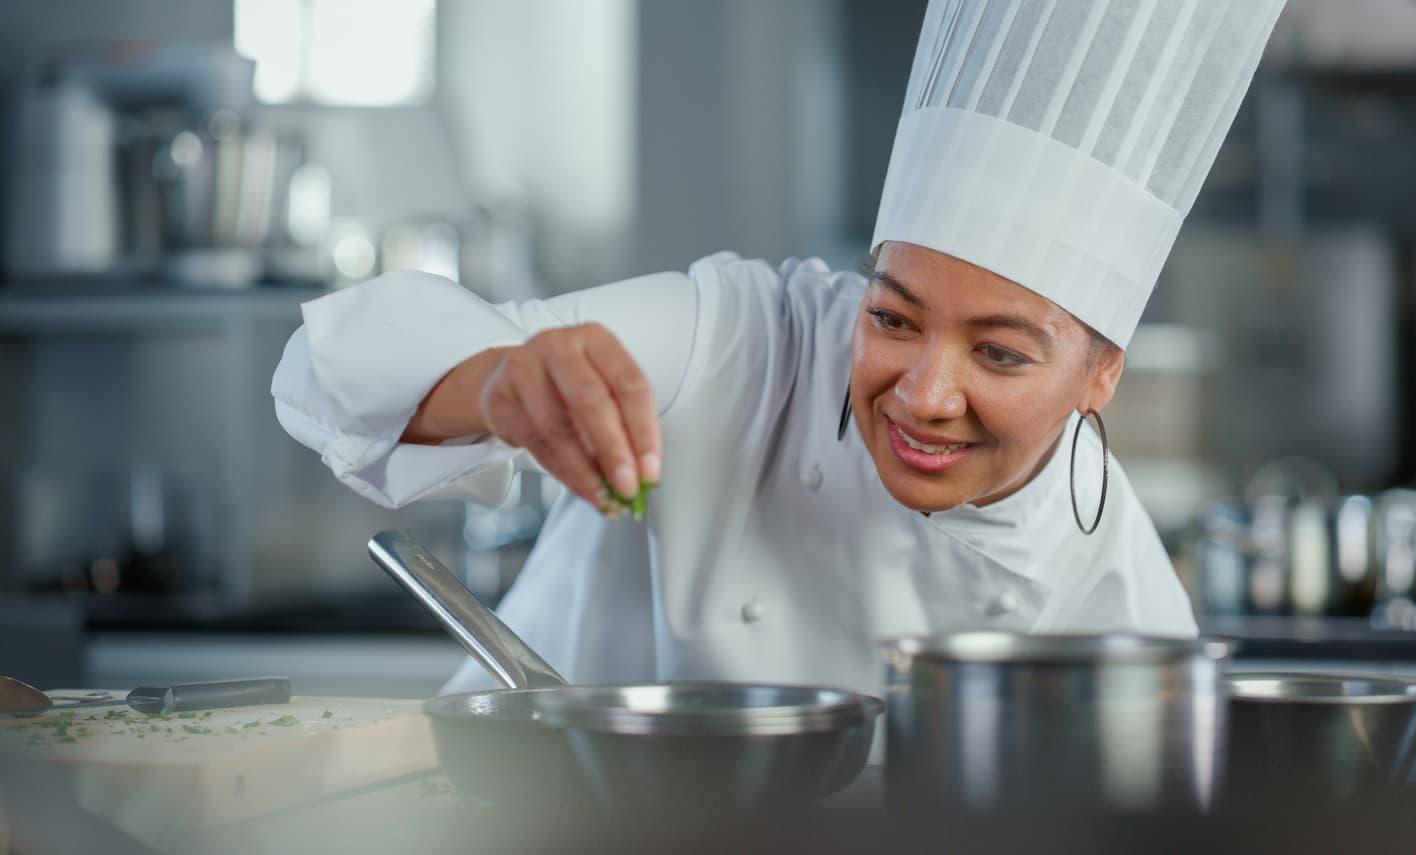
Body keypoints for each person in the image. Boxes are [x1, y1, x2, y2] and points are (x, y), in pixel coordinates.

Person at [272, 0, 1285, 696]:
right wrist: (496, 382)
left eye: (1001, 356)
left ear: (1100, 370)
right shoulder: (746, 340)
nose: (924, 395)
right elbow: (325, 374)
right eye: (890, 318)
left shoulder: (1110, 579)